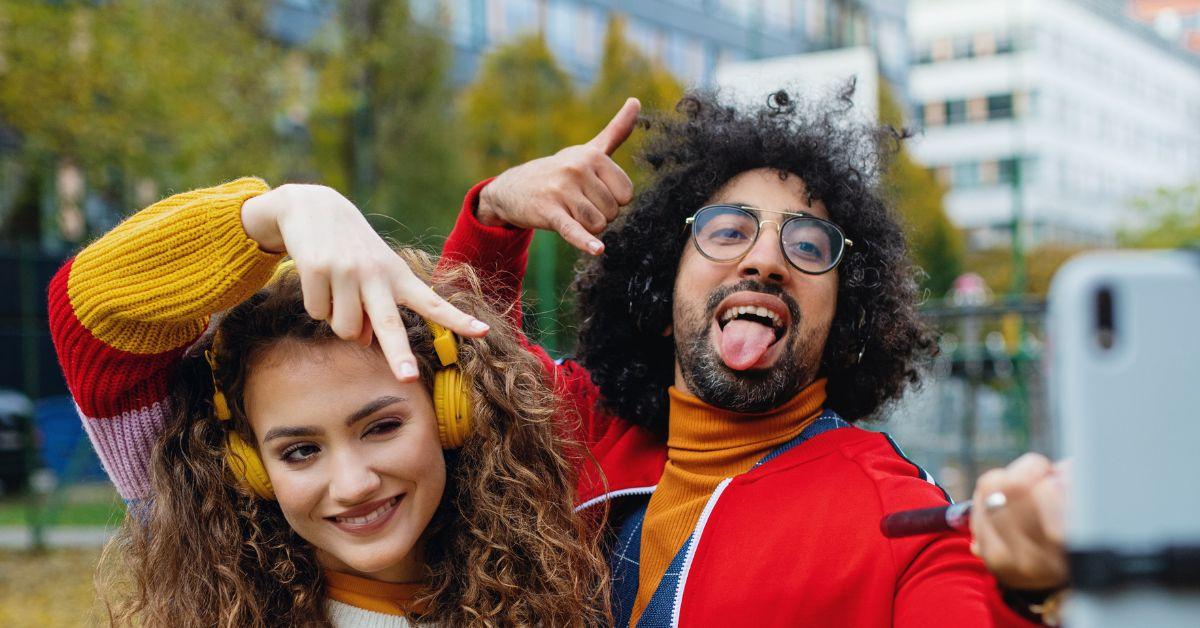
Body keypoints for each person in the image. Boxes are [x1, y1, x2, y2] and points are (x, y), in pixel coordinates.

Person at [438, 88, 1061, 626]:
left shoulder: (900, 518)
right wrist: (494, 213)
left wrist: (1025, 592)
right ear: (662, 285)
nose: (765, 259)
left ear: (843, 319)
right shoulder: (578, 435)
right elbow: (458, 360)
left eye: (809, 244)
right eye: (729, 231)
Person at [48, 180, 609, 626]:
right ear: (249, 466)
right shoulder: (198, 536)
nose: (353, 484)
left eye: (382, 426)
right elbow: (88, 313)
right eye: (299, 452)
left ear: (452, 413)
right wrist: (281, 213)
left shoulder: (551, 564)